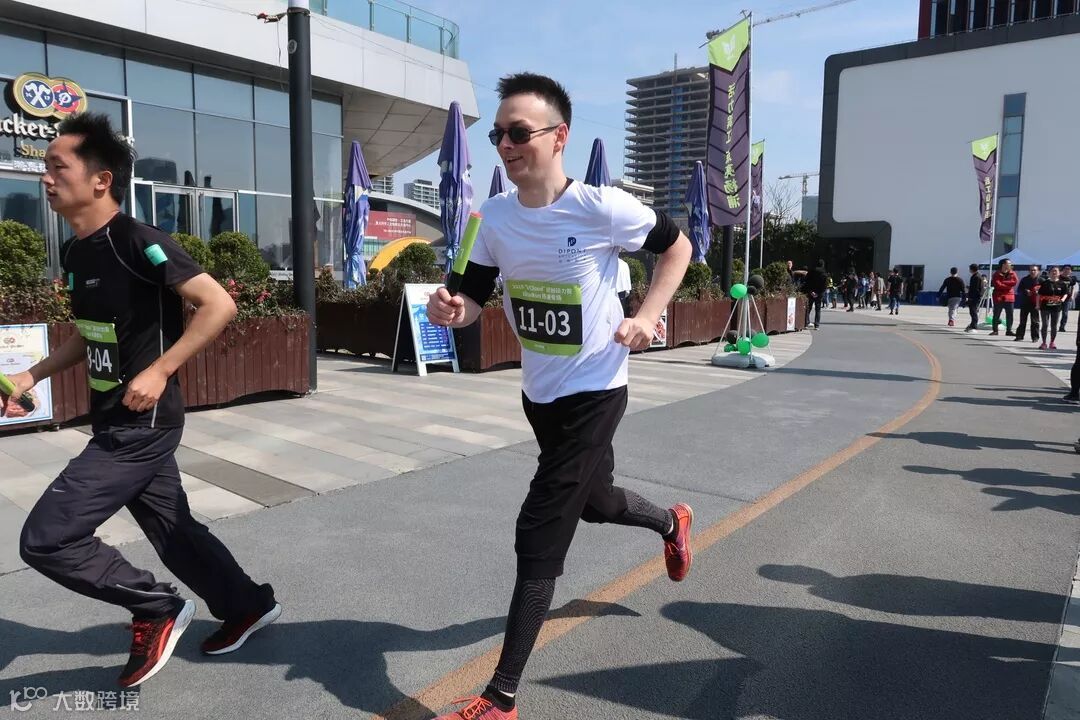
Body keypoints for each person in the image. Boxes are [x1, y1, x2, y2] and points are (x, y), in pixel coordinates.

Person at [424, 73, 694, 720]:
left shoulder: (603, 207)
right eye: (498, 135)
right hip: (540, 394)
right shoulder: (492, 217)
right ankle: (671, 522)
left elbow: (678, 247)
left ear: (558, 136)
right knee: (595, 502)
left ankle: (501, 696)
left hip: (597, 389)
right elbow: (470, 300)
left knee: (540, 526)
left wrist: (648, 315)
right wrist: (450, 310)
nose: (506, 145)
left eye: (519, 133)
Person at [1, 113, 279, 689]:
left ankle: (156, 608)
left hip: (143, 423)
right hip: (113, 417)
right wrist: (30, 374)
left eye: (58, 167)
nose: (45, 178)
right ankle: (248, 605)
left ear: (101, 180)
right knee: (175, 532)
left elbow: (218, 304)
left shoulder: (139, 241)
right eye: (44, 167)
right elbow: (90, 335)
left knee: (48, 538)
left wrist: (160, 369)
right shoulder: (77, 253)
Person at [1037, 266, 1069, 350]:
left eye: (1056, 271)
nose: (1054, 272)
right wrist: (1037, 305)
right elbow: (1039, 295)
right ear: (1049, 273)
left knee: (1054, 325)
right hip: (1045, 306)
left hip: (1056, 307)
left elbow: (1065, 293)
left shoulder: (1062, 283)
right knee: (1045, 325)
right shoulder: (1045, 283)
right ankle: (1044, 343)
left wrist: (1062, 299)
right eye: (1052, 271)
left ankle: (1052, 342)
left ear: (1059, 273)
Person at [1013, 264, 1041, 343]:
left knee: (1035, 321)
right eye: (1031, 270)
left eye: (1034, 270)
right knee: (1022, 321)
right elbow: (1019, 290)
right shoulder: (1024, 279)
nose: (1033, 272)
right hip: (1025, 302)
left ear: (1038, 271)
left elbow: (1045, 291)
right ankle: (1019, 336)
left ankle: (1035, 337)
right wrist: (1026, 291)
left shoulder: (1041, 280)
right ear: (1029, 271)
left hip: (1035, 303)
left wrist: (1038, 292)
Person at [990, 259, 1018, 336]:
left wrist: (1003, 283)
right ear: (1003, 264)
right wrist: (1008, 286)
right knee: (996, 314)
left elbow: (1014, 282)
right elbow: (997, 284)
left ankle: (1009, 330)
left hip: (1009, 296)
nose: (1010, 265)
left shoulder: (1012, 273)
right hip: (998, 296)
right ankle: (995, 330)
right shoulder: (997, 274)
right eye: (1009, 263)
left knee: (1010, 314)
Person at [804, 259, 827, 328]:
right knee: (818, 309)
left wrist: (811, 291)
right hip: (819, 293)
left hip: (811, 292)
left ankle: (806, 322)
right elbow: (824, 285)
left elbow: (807, 282)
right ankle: (816, 325)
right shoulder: (824, 273)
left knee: (809, 307)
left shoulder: (811, 271)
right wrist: (819, 292)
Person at [965, 263, 984, 332]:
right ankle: (972, 324)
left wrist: (971, 296)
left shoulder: (976, 277)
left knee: (973, 312)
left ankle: (974, 325)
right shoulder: (977, 276)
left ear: (972, 269)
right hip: (975, 296)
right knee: (972, 312)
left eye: (970, 269)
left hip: (974, 297)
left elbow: (976, 288)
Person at [1060, 265, 1077, 332]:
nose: (1067, 270)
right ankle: (1054, 326)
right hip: (1058, 298)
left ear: (1071, 271)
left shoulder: (1072, 279)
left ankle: (1062, 327)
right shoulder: (1059, 277)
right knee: (1055, 313)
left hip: (1067, 299)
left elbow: (1073, 288)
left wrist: (1072, 296)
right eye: (1065, 269)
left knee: (1065, 313)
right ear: (1062, 270)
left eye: (1068, 269)